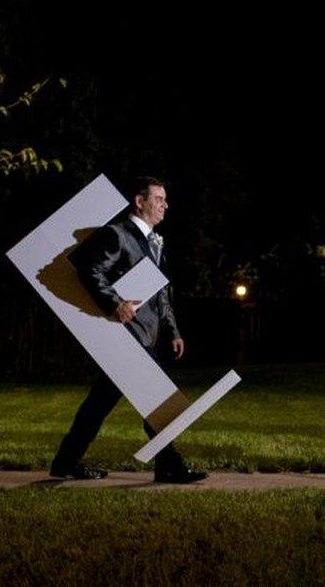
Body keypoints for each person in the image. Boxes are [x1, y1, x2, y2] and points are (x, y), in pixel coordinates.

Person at [50, 175, 208, 484]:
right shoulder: (116, 235)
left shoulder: (154, 242)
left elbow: (161, 292)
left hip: (148, 335)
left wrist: (172, 330)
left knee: (99, 403)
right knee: (155, 401)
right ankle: (169, 465)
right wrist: (114, 303)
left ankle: (65, 461)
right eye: (159, 199)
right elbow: (89, 269)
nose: (165, 205)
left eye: (165, 199)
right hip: (127, 336)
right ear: (139, 201)